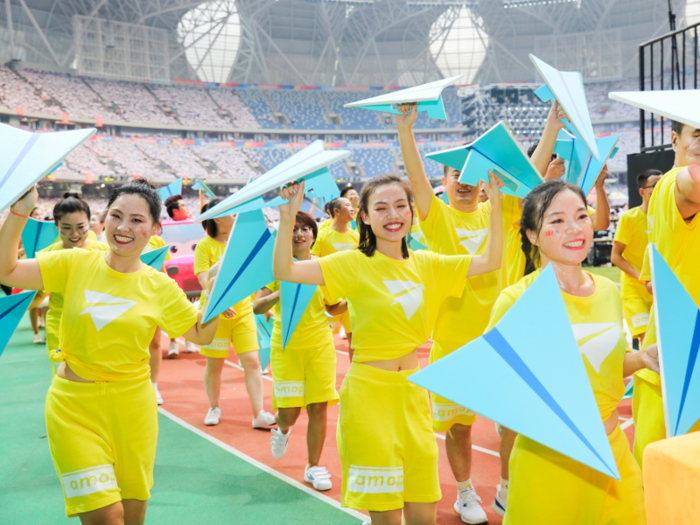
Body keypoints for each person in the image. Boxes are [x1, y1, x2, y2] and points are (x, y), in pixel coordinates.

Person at [273, 173, 504, 525]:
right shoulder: (352, 262)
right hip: (369, 396)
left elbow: (490, 261)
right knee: (387, 517)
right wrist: (288, 216)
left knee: (423, 511)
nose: (392, 214)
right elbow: (285, 269)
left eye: (400, 205)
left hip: (412, 393)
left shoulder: (428, 263)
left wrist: (498, 202)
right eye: (380, 207)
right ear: (364, 216)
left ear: (411, 212)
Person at [0, 181, 218, 523]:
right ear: (104, 220)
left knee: (132, 517)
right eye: (116, 216)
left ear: (155, 230)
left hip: (133, 410)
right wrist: (19, 211)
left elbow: (202, 334)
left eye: (136, 220)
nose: (124, 227)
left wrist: (219, 295)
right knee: (107, 517)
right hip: (74, 409)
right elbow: (7, 270)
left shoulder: (159, 286)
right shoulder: (75, 262)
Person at [397, 102, 563, 522]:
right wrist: (406, 128)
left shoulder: (500, 211)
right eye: (457, 176)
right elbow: (415, 179)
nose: (466, 183)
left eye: (472, 176)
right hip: (454, 341)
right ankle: (466, 492)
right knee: (460, 427)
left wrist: (552, 124)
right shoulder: (436, 220)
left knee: (512, 423)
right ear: (446, 181)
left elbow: (531, 172)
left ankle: (506, 487)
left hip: (504, 337)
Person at [488, 180, 656, 524]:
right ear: (532, 234)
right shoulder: (516, 301)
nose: (574, 229)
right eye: (556, 221)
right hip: (550, 463)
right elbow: (495, 389)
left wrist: (641, 359)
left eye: (581, 216)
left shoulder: (608, 291)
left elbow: (603, 364)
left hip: (613, 454)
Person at [254, 211, 346, 491]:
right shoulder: (277, 268)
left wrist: (356, 301)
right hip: (287, 347)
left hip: (319, 345)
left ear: (313, 236)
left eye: (305, 228)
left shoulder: (324, 267)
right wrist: (285, 288)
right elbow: (258, 307)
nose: (299, 233)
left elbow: (333, 306)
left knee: (319, 408)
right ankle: (282, 429)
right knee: (290, 413)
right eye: (293, 229)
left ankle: (313, 466)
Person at [634, 120, 700, 466]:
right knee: (663, 478)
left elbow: (650, 279)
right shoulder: (675, 182)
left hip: (682, 352)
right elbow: (694, 184)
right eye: (697, 133)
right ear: (675, 140)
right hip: (676, 360)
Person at [195, 198, 276, 429]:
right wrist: (219, 302)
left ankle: (258, 413)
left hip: (242, 314)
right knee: (215, 365)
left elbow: (253, 279)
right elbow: (204, 279)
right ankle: (214, 406)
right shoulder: (205, 246)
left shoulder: (244, 245)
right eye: (233, 214)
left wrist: (262, 304)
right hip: (216, 315)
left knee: (252, 361)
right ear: (218, 218)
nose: (237, 218)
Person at [38, 193, 109, 375]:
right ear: (56, 226)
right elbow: (36, 294)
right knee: (65, 382)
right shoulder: (47, 256)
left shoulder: (104, 251)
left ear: (89, 224)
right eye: (66, 228)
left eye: (81, 227)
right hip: (61, 330)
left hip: (99, 325)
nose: (75, 234)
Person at [611, 169, 662, 345]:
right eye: (655, 185)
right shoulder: (629, 218)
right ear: (642, 192)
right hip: (635, 289)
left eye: (662, 184)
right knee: (646, 341)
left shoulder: (668, 218)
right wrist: (642, 277)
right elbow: (615, 257)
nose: (660, 188)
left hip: (659, 289)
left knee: (662, 340)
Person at [311, 196, 359, 355]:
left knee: (356, 345)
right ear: (336, 211)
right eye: (347, 205)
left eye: (352, 205)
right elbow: (311, 261)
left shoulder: (356, 237)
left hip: (351, 298)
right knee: (323, 345)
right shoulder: (321, 236)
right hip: (327, 299)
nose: (352, 208)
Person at [163, 193, 197, 356]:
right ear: (175, 211)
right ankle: (173, 341)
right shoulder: (165, 229)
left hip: (192, 276)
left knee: (191, 306)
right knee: (173, 308)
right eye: (184, 206)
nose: (188, 209)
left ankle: (190, 338)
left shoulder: (195, 226)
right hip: (174, 276)